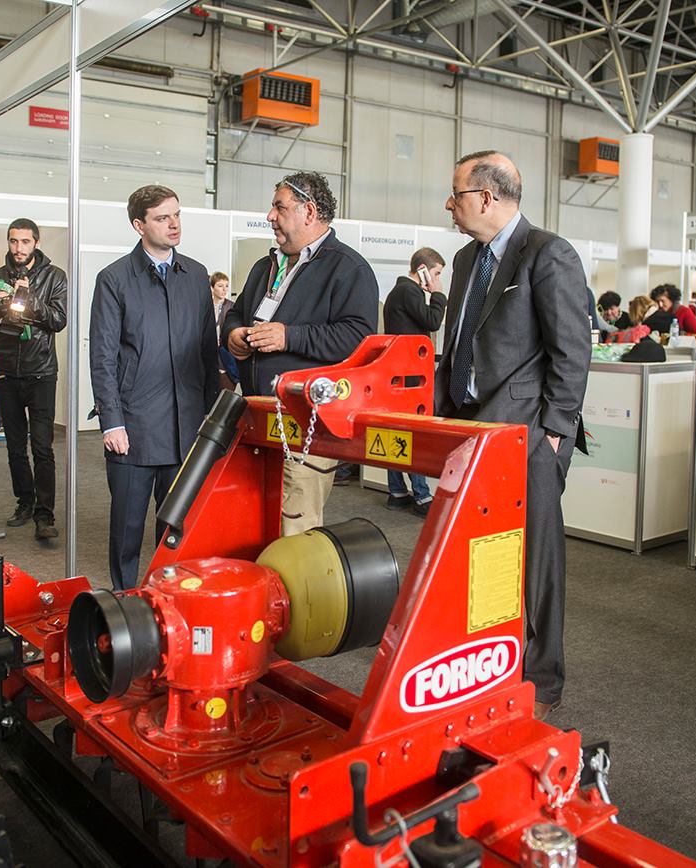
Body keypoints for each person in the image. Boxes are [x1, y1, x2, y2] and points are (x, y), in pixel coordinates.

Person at [432, 150, 590, 721]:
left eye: (456, 194)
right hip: (469, 426)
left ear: (486, 197)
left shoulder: (547, 253)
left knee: (537, 561)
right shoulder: (464, 259)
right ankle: (489, 661)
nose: (449, 205)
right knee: (476, 552)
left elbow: (571, 351)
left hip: (529, 433)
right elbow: (459, 341)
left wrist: (554, 434)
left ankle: (542, 679)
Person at [222, 171, 376, 536]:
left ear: (309, 212)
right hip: (258, 418)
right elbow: (237, 313)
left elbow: (358, 338)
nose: (270, 216)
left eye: (279, 207)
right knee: (252, 521)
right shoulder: (266, 265)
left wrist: (290, 337)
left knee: (293, 527)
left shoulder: (348, 268)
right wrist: (233, 334)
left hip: (305, 426)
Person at [90, 185, 219, 590]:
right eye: (163, 218)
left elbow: (207, 351)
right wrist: (112, 422)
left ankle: (169, 599)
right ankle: (124, 598)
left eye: (177, 215)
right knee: (127, 529)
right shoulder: (114, 279)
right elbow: (103, 356)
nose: (174, 224)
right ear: (139, 225)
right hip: (134, 427)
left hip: (187, 427)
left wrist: (212, 417)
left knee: (176, 529)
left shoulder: (196, 275)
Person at [0, 218, 67, 539]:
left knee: (42, 447)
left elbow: (58, 320)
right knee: (15, 447)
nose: (19, 248)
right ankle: (24, 503)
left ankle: (45, 514)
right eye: (14, 241)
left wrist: (30, 300)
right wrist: (0, 309)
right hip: (6, 372)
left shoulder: (55, 276)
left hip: (41, 371)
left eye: (25, 241)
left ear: (36, 243)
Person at [382, 247, 447, 516]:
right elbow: (433, 321)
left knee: (397, 430)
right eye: (436, 273)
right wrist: (438, 294)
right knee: (413, 432)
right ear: (423, 270)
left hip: (399, 374)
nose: (438, 279)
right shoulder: (409, 292)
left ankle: (397, 492)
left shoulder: (398, 292)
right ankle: (422, 496)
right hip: (410, 378)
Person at [211, 272, 240, 389]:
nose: (224, 289)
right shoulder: (205, 306)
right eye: (220, 286)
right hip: (210, 357)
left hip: (226, 360)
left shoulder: (232, 306)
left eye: (226, 286)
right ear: (212, 288)